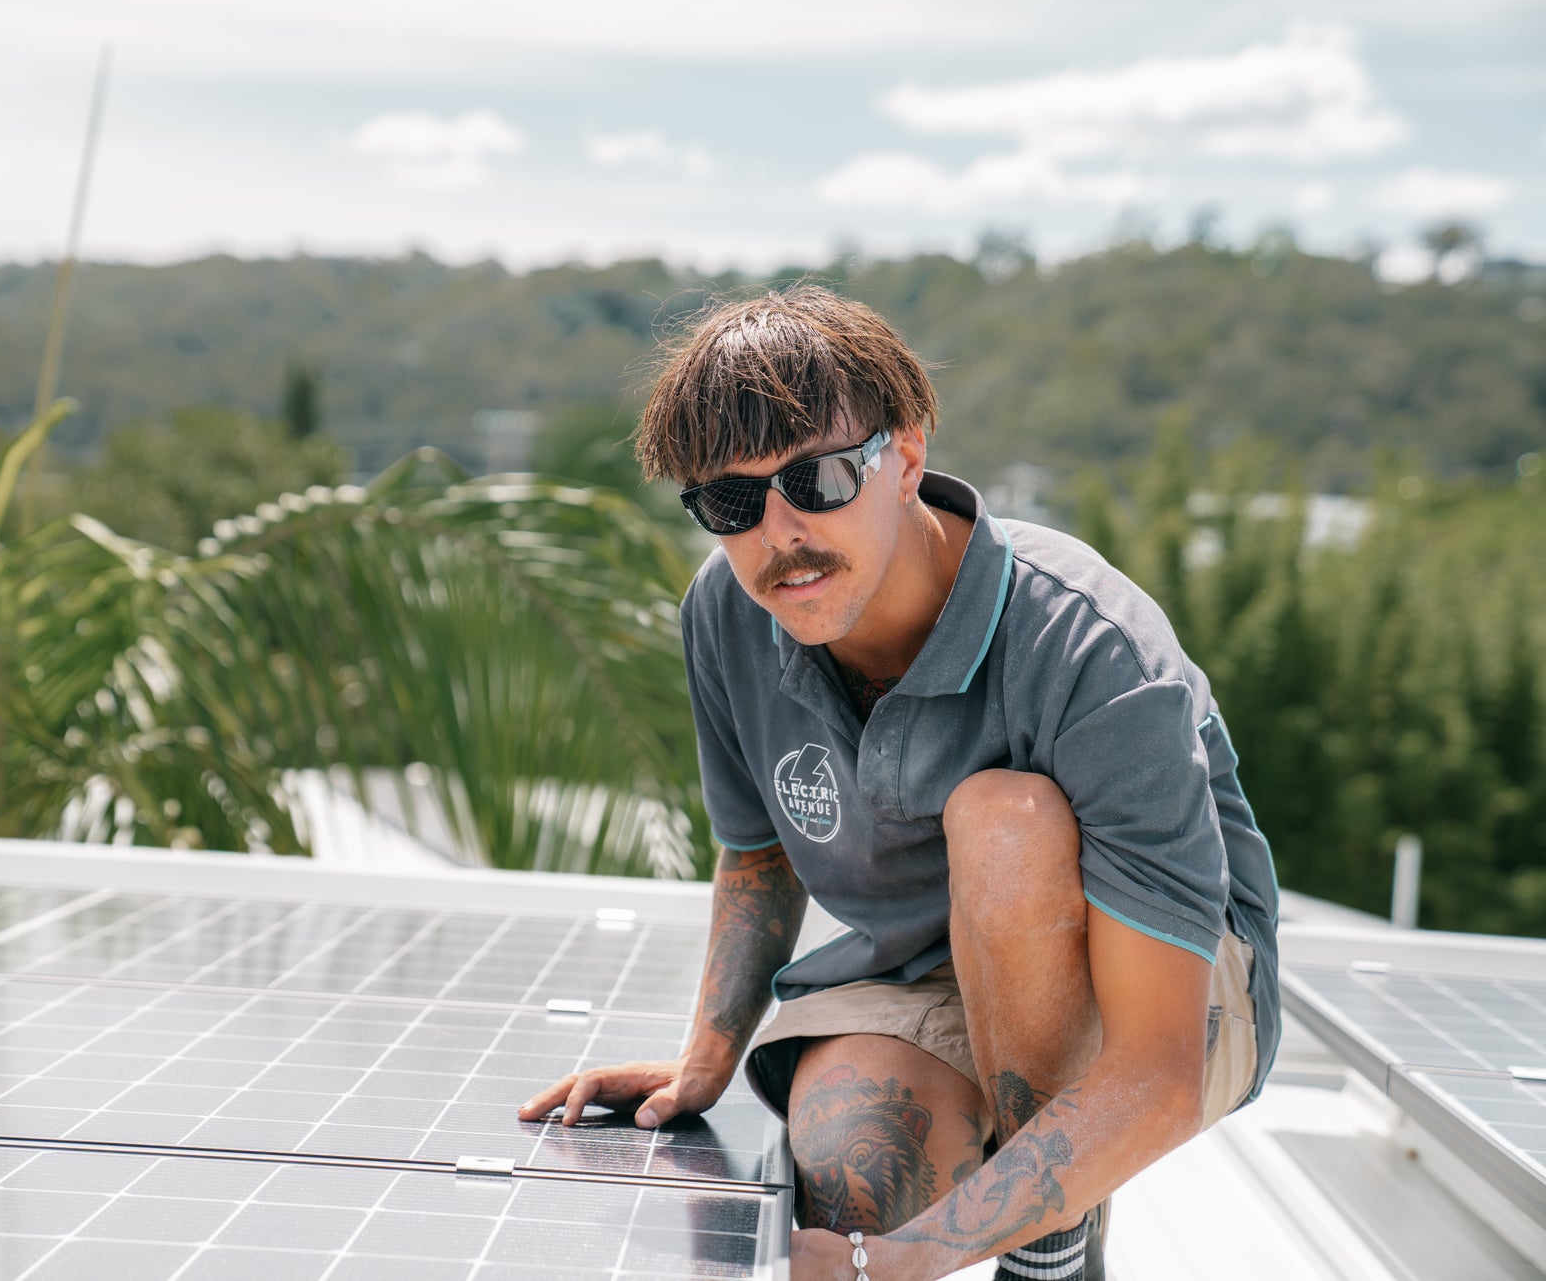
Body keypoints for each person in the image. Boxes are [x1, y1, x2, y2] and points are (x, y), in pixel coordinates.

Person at [517, 286, 1280, 1281]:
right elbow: (756, 851)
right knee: (847, 1162)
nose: (779, 533)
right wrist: (702, 1060)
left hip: (1165, 975)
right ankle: (1022, 1196)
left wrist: (906, 1258)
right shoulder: (727, 611)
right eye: (731, 503)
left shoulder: (1089, 649)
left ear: (905, 456)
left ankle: (1053, 1251)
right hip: (928, 963)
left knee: (1003, 819)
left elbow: (1159, 1068)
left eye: (818, 479)